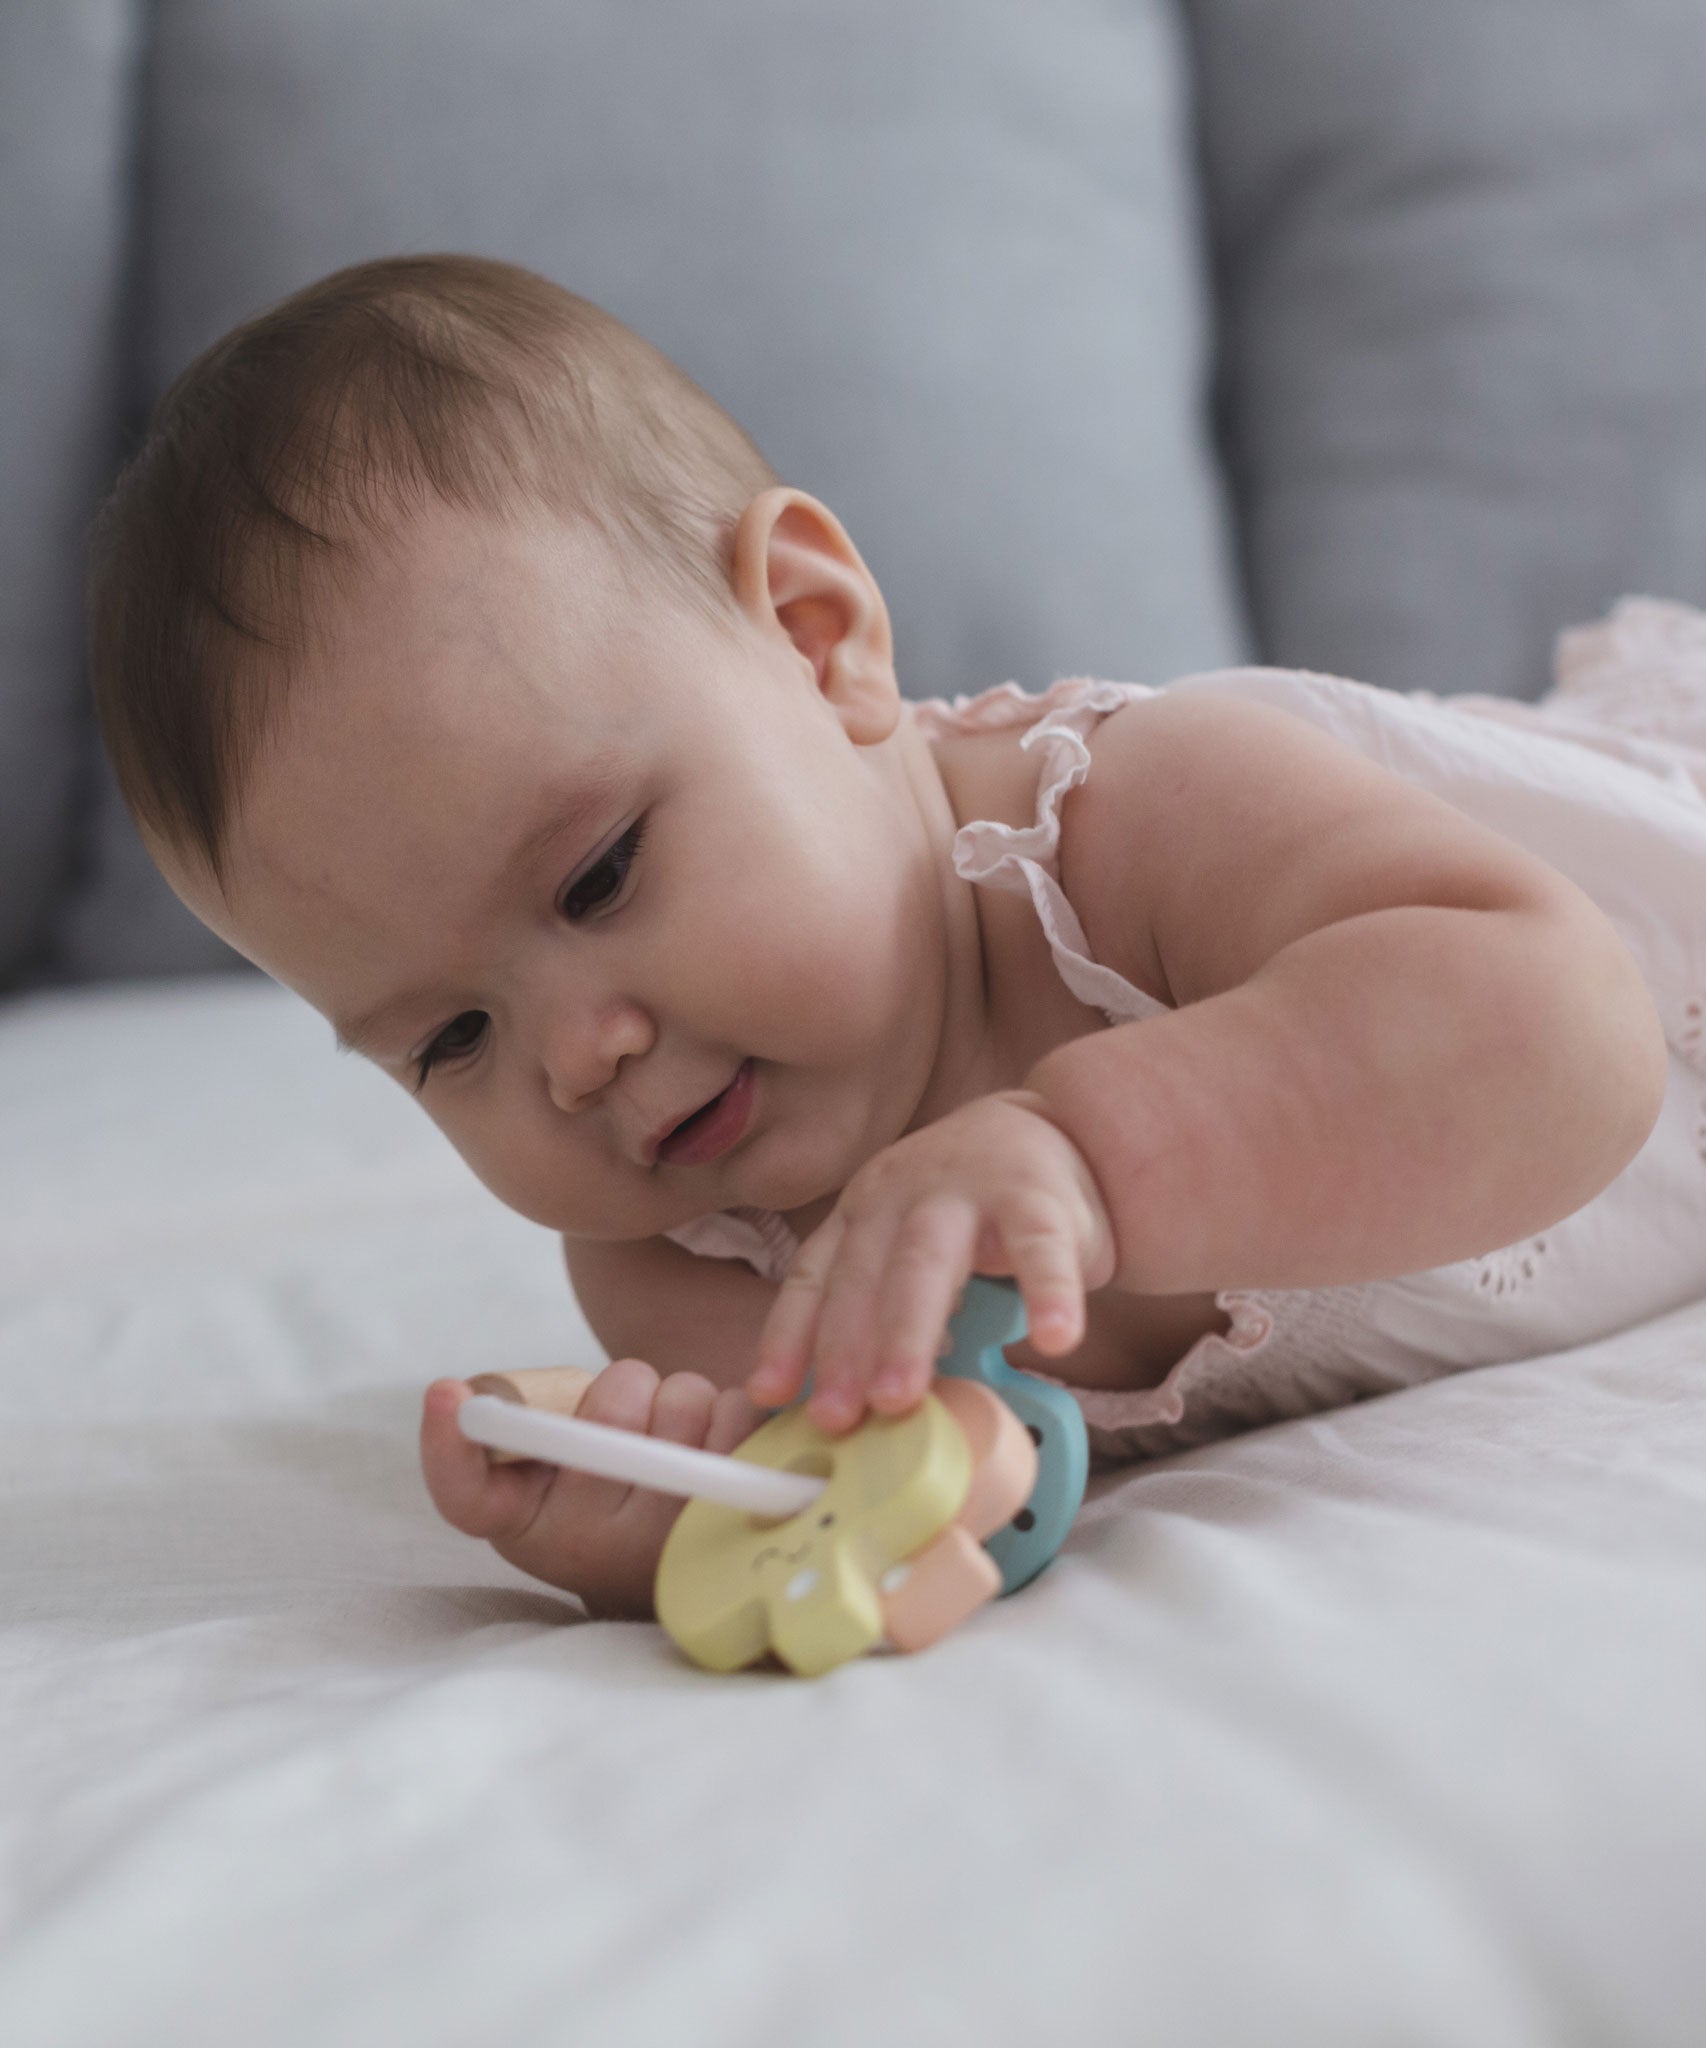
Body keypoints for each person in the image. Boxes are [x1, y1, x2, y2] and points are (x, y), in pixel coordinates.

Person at [87, 254, 1706, 1621]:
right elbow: (954, 1507)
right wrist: (692, 1512)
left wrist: (1090, 1155)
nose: (577, 1057)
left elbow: (1563, 1044)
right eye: (450, 1041)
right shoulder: (682, 1259)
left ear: (814, 640)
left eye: (598, 878)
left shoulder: (1133, 824)